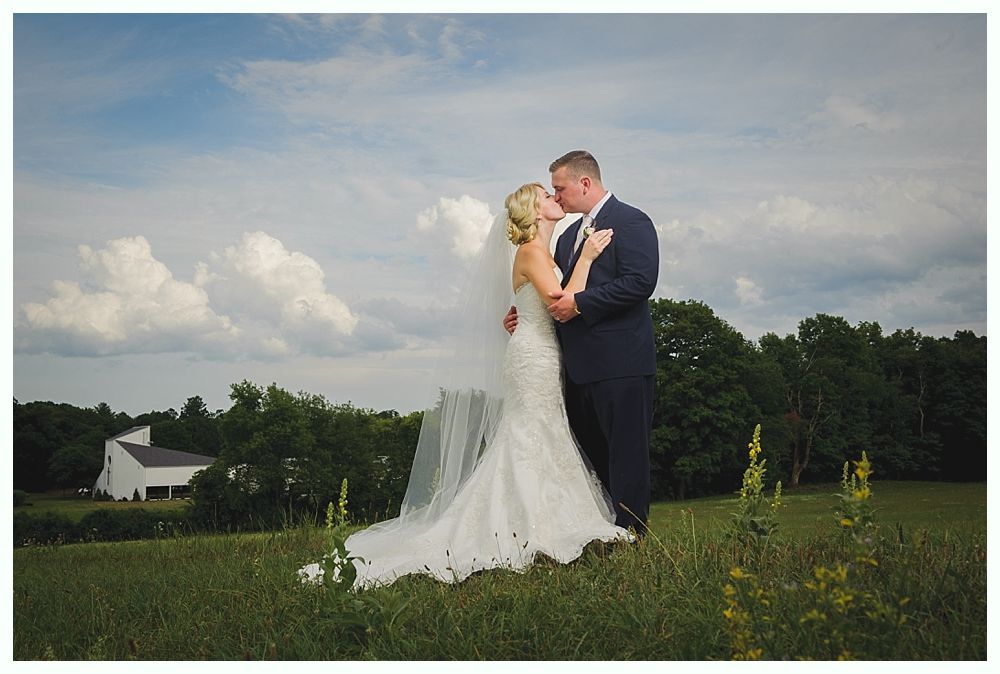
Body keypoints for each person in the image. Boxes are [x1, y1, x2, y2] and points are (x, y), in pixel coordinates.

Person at [303, 182, 633, 590]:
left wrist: (522, 311)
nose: (555, 198)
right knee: (528, 434)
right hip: (533, 358)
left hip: (544, 353)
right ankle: (522, 525)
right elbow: (561, 303)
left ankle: (542, 517)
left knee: (541, 433)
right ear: (535, 211)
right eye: (546, 196)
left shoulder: (544, 252)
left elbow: (540, 306)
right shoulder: (532, 253)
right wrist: (588, 256)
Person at [504, 150, 658, 535]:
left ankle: (632, 533)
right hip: (572, 366)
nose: (556, 197)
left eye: (559, 188)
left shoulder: (632, 221)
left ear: (584, 183)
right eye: (550, 193)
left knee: (627, 454)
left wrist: (581, 304)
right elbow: (554, 299)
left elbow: (641, 282)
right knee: (587, 455)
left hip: (621, 362)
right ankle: (601, 527)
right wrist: (525, 319)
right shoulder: (568, 236)